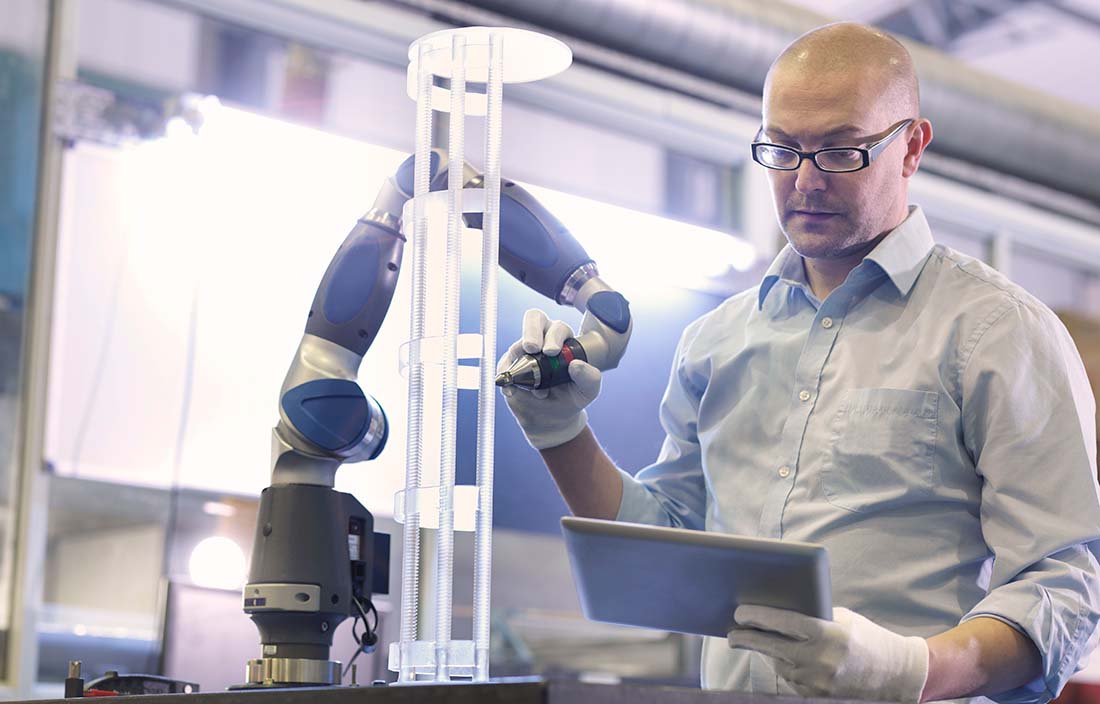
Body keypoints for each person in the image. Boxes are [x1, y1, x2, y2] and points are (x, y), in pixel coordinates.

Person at [497, 21, 1100, 704]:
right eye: (781, 150)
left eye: (841, 151)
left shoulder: (997, 332)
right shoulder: (716, 340)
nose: (805, 181)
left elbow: (1065, 586)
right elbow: (665, 546)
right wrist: (559, 433)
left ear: (911, 148)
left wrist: (911, 671)